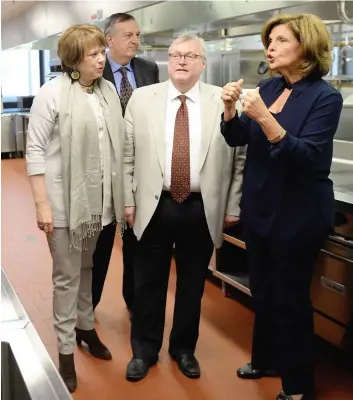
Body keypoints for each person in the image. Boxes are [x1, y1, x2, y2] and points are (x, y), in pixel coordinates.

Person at [220, 13, 343, 400]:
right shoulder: (270, 87)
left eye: (280, 40)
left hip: (298, 215)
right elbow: (237, 135)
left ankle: (297, 386)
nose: (270, 47)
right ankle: (266, 359)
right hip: (260, 209)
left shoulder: (326, 97)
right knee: (264, 292)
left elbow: (307, 156)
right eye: (268, 40)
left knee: (290, 300)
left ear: (305, 47)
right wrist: (229, 111)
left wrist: (264, 118)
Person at [124, 34, 246, 381]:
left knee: (193, 283)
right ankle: (144, 351)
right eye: (176, 54)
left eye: (191, 56)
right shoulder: (142, 99)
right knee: (147, 282)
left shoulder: (221, 101)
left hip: (201, 206)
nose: (181, 61)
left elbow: (238, 158)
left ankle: (183, 349)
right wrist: (128, 201)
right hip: (154, 205)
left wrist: (232, 204)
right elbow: (127, 156)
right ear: (167, 59)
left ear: (202, 64)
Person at [26, 24, 126, 393]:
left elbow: (116, 145)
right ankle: (66, 350)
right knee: (67, 277)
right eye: (93, 54)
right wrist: (41, 205)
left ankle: (86, 328)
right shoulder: (52, 94)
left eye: (102, 52)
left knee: (87, 269)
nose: (102, 59)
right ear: (73, 59)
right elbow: (34, 152)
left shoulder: (107, 92)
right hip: (64, 204)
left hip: (98, 205)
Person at [92, 12, 159, 312]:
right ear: (110, 40)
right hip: (104, 170)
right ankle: (88, 308)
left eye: (137, 35)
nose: (135, 40)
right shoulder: (95, 69)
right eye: (128, 35)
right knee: (101, 245)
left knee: (136, 242)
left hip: (138, 169)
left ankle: (134, 302)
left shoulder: (148, 69)